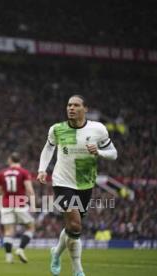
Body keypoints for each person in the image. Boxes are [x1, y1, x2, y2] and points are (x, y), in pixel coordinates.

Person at [37, 95, 117, 276]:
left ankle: (56, 253)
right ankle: (78, 269)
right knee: (75, 226)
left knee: (73, 227)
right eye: (69, 105)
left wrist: (100, 152)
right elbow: (48, 148)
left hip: (86, 183)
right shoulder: (57, 129)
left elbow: (114, 153)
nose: (71, 108)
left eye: (76, 105)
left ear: (85, 109)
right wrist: (42, 169)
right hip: (62, 181)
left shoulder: (98, 129)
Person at [0, 152, 35, 264]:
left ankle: (8, 256)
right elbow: (29, 189)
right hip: (20, 203)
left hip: (6, 204)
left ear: (10, 160)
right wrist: (32, 204)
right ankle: (20, 249)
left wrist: (0, 204)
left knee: (8, 231)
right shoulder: (24, 172)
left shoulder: (2, 173)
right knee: (30, 227)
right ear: (19, 161)